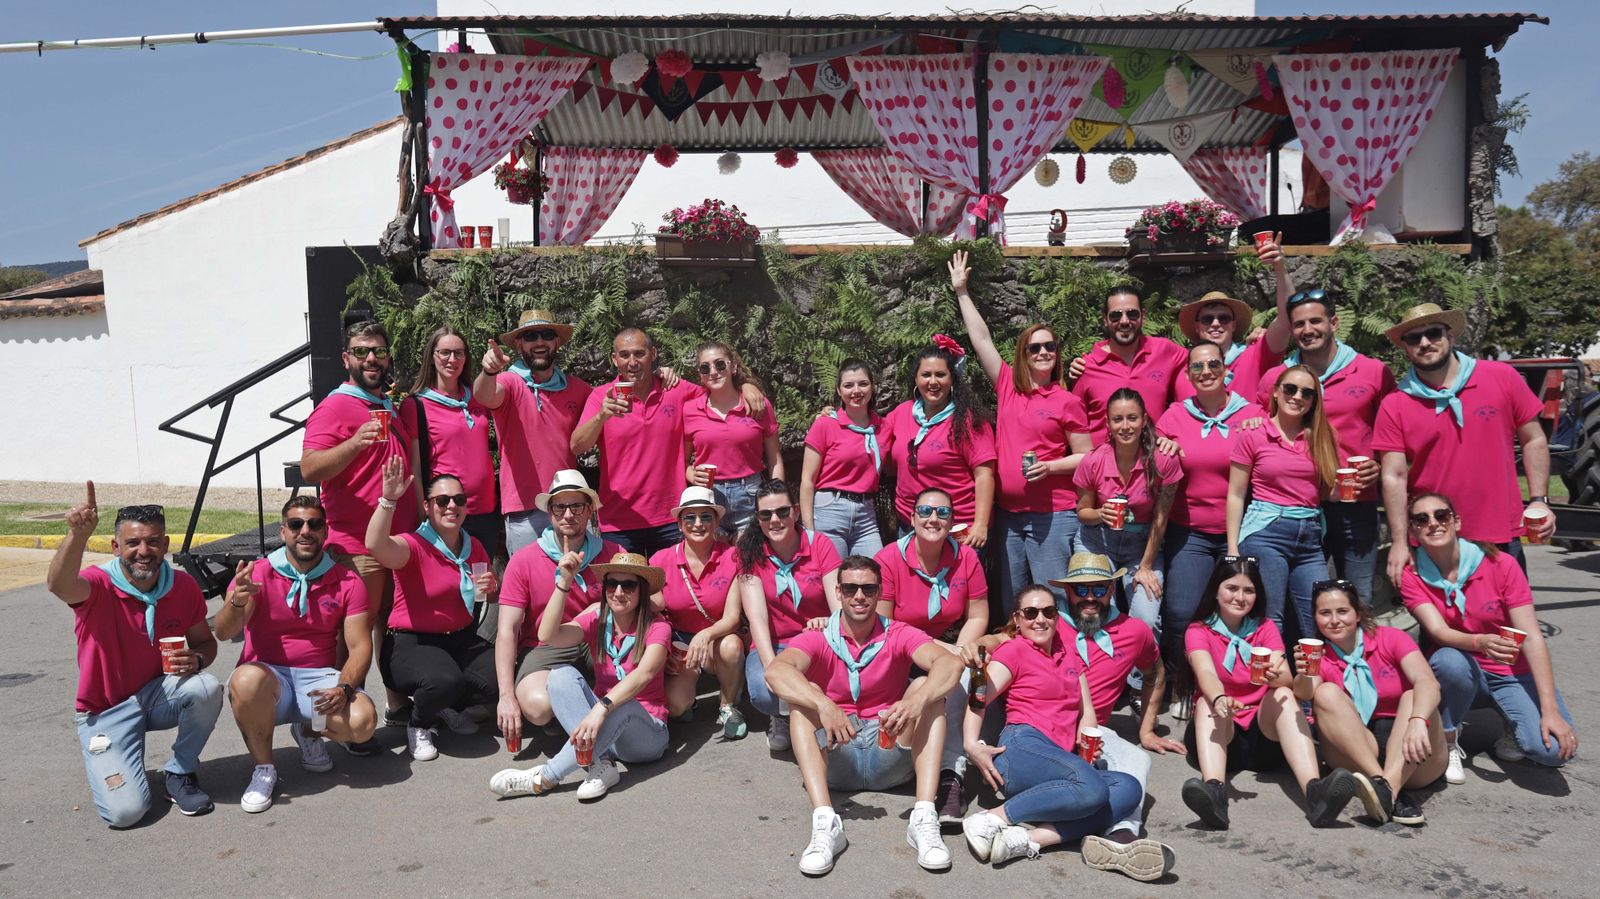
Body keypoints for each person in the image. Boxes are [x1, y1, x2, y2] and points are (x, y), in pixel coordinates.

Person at [764, 555, 964, 875]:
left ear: (879, 593)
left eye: (868, 589)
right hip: (837, 750)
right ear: (840, 592)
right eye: (852, 588)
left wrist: (917, 701)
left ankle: (924, 818)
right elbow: (776, 672)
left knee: (928, 689)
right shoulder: (818, 636)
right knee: (804, 699)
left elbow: (951, 664)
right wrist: (824, 704)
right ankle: (825, 823)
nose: (860, 596)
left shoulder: (898, 632)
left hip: (888, 745)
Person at [959, 585, 1175, 879]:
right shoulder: (1015, 649)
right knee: (1092, 788)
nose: (1040, 620)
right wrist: (971, 743)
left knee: (1128, 788)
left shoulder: (1067, 653)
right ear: (1017, 619)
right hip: (1023, 747)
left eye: (1048, 612)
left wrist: (1087, 737)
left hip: (1059, 757)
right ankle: (990, 819)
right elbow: (980, 693)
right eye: (1031, 613)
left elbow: (1086, 710)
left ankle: (1029, 840)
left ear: (1057, 616)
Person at [47, 488, 223, 825]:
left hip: (155, 697)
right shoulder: (97, 585)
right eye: (133, 543)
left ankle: (179, 772)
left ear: (166, 544)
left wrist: (197, 660)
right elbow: (59, 585)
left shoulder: (182, 586)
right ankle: (120, 759)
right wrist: (77, 534)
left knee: (206, 688)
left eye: (153, 542)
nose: (143, 551)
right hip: (105, 712)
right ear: (116, 547)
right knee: (126, 813)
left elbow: (205, 642)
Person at [213, 496, 379, 813]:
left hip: (316, 679)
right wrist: (236, 602)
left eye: (314, 524)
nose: (306, 531)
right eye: (296, 524)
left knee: (363, 722)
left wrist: (344, 688)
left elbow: (360, 646)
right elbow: (223, 632)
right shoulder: (257, 573)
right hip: (267, 679)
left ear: (325, 531)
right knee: (246, 680)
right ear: (283, 531)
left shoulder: (347, 580)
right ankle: (264, 768)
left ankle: (307, 730)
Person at [1397, 493, 1578, 779]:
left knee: (1553, 752)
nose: (1433, 523)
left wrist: (1550, 710)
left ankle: (1511, 722)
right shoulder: (1412, 573)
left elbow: (1531, 635)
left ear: (1456, 521)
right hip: (1466, 668)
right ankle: (1448, 738)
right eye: (1421, 519)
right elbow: (1438, 632)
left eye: (1441, 515)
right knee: (1448, 662)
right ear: (1413, 531)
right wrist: (1480, 642)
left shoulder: (1500, 563)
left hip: (1513, 671)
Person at [949, 248, 1092, 605]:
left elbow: (1088, 457)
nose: (1043, 352)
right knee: (1013, 599)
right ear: (1023, 354)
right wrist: (962, 292)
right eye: (1035, 348)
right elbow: (981, 340)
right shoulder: (1009, 385)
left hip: (1053, 515)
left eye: (1050, 346)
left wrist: (1051, 466)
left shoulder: (1067, 400)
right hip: (1009, 516)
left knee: (1052, 597)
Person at [1376, 303, 1555, 584]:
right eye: (1413, 338)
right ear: (1405, 347)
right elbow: (1394, 475)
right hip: (1434, 535)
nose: (1425, 343)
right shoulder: (1395, 403)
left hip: (1500, 531)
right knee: (1440, 627)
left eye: (1433, 333)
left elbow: (1533, 439)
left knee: (1509, 624)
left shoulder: (1501, 377)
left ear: (1451, 336)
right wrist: (1400, 542)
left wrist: (1539, 501)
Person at [301, 319, 420, 736]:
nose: (372, 358)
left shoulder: (384, 404)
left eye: (379, 351)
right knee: (349, 640)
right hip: (355, 548)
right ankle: (328, 724)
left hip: (397, 544)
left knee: (391, 631)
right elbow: (310, 466)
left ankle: (395, 708)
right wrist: (354, 443)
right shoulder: (335, 406)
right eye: (362, 351)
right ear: (346, 358)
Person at [1180, 556, 1357, 829]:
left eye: (1249, 590)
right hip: (1220, 735)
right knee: (1207, 702)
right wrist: (1220, 698)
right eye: (1232, 588)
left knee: (1284, 695)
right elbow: (1205, 673)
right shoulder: (1198, 630)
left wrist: (1278, 677)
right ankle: (1214, 792)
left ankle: (1315, 792)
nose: (1240, 597)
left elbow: (1285, 676)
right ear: (1215, 590)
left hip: (1263, 738)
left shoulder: (1264, 627)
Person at [490, 552, 671, 801]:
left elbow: (644, 674)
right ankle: (602, 765)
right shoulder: (598, 620)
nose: (618, 592)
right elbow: (548, 635)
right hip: (604, 732)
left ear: (642, 591)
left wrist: (602, 708)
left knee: (624, 705)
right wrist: (563, 583)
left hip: (645, 736)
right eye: (611, 584)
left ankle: (545, 777)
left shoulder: (658, 627)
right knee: (560, 675)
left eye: (628, 585)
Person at [571, 327, 765, 557]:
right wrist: (601, 416)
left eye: (639, 353)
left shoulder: (676, 390)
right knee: (622, 590)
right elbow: (577, 446)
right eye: (624, 355)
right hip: (619, 521)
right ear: (614, 359)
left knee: (670, 591)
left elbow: (719, 387)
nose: (632, 362)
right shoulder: (602, 397)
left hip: (671, 518)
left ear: (653, 354)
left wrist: (746, 385)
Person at [1256, 290, 1395, 601]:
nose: (1308, 330)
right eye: (1299, 324)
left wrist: (1380, 463)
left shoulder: (1373, 372)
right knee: (1300, 601)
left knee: (1357, 599)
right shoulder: (1276, 379)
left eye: (1315, 321)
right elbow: (1258, 429)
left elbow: (1394, 435)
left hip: (1354, 502)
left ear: (1333, 323)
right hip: (1294, 505)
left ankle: (1355, 650)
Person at [1156, 342, 1268, 705]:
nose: (1205, 372)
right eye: (1197, 367)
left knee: (1243, 610)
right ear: (1188, 375)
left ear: (1226, 370)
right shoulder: (1174, 415)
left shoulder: (1251, 413)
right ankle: (1182, 684)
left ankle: (1241, 686)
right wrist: (1163, 446)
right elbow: (1153, 454)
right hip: (1190, 531)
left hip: (1244, 530)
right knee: (1179, 612)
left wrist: (1261, 424)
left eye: (1213, 365)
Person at [367, 458, 498, 761]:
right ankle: (420, 722)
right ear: (427, 506)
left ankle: (445, 706)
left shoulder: (472, 546)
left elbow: (486, 598)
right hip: (412, 642)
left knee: (499, 676)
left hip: (462, 637)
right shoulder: (413, 545)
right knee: (443, 681)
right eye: (442, 500)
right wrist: (388, 499)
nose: (452, 506)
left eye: (459, 500)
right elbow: (375, 545)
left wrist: (492, 591)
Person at [874, 487, 989, 823]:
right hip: (900, 650)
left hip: (947, 644)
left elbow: (978, 616)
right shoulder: (890, 559)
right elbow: (885, 625)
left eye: (942, 513)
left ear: (952, 521)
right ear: (911, 518)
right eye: (925, 511)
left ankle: (948, 774)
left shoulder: (967, 557)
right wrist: (948, 653)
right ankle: (945, 770)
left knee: (963, 672)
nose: (933, 519)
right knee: (948, 674)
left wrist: (962, 649)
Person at [1291, 579, 1443, 826]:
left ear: (1358, 613)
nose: (1334, 620)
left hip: (1410, 749)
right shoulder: (1320, 656)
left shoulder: (1391, 638)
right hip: (1359, 752)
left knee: (1414, 695)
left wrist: (1417, 721)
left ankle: (1387, 789)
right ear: (1316, 619)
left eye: (1342, 611)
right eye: (1325, 613)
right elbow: (1306, 694)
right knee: (1326, 692)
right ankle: (1384, 785)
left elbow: (1428, 682)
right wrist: (1304, 673)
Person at [494, 470, 624, 749]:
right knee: (538, 707)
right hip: (545, 646)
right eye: (560, 507)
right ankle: (580, 720)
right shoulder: (524, 560)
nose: (568, 514)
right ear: (549, 513)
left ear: (589, 510)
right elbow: (507, 630)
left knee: (626, 682)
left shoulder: (612, 553)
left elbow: (647, 605)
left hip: (598, 642)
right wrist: (505, 695)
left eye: (576, 506)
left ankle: (590, 725)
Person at [1227, 366, 1337, 635]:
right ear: (1276, 392)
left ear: (1314, 401)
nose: (1297, 396)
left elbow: (1326, 493)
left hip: (1310, 537)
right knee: (1270, 617)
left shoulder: (1321, 437)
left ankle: (1310, 678)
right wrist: (1232, 549)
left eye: (1307, 393)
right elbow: (1236, 493)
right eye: (1290, 389)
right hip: (1266, 531)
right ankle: (1270, 678)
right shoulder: (1253, 434)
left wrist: (1354, 485)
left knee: (1319, 619)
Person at [474, 309, 591, 554]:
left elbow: (610, 402)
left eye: (546, 334)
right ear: (519, 344)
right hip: (524, 512)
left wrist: (656, 374)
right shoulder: (509, 381)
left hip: (570, 508)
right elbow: (484, 395)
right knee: (529, 588)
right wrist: (488, 371)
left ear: (556, 341)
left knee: (577, 586)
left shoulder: (577, 389)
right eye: (530, 336)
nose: (539, 342)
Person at [740, 479, 842, 752]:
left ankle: (802, 712)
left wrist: (830, 624)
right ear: (758, 519)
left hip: (817, 641)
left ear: (796, 511)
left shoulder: (820, 545)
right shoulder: (749, 553)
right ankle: (787, 714)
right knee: (763, 692)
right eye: (766, 514)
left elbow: (839, 608)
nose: (775, 520)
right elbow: (757, 619)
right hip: (777, 643)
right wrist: (774, 669)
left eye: (782, 512)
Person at [1073, 388, 1182, 632]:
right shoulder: (1093, 461)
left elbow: (1161, 520)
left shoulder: (1164, 461)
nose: (1125, 426)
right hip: (1097, 542)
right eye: (1117, 419)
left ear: (1144, 420)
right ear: (1107, 424)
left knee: (1146, 619)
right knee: (1096, 615)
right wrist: (1101, 513)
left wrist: (1145, 567)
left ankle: (1145, 670)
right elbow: (1082, 512)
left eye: (1132, 418)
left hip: (1143, 546)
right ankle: (1100, 668)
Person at [649, 486, 749, 739]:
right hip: (681, 644)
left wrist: (704, 636)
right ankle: (690, 700)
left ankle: (728, 705)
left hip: (718, 637)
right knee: (675, 705)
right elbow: (653, 610)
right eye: (689, 517)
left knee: (732, 646)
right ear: (680, 524)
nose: (698, 524)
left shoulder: (733, 556)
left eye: (706, 516)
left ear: (716, 521)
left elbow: (732, 618)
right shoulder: (660, 560)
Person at [882, 341, 997, 546]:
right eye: (926, 375)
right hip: (909, 525)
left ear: (952, 378)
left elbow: (984, 475)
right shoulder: (901, 413)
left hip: (957, 529)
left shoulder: (969, 420)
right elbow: (869, 431)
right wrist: (832, 416)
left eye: (940, 375)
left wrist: (981, 524)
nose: (933, 382)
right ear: (916, 379)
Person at [411, 326, 499, 569]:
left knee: (480, 586)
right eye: (445, 353)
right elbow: (415, 468)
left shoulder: (478, 397)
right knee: (451, 586)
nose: (453, 360)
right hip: (446, 512)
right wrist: (423, 514)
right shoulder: (417, 404)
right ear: (432, 357)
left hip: (485, 512)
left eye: (459, 353)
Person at [1171, 234, 1294, 403]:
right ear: (1197, 326)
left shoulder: (1254, 355)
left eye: (1224, 318)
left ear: (1234, 325)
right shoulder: (1184, 367)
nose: (1216, 324)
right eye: (1207, 319)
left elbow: (1287, 318)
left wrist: (1279, 266)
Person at [683, 340, 783, 535]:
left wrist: (777, 496)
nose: (713, 371)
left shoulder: (758, 405)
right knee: (713, 559)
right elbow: (682, 461)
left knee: (749, 558)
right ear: (700, 375)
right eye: (705, 367)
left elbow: (775, 459)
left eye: (720, 364)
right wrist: (690, 474)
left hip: (751, 493)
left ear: (733, 366)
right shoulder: (690, 409)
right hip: (708, 495)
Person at [1069, 284, 1188, 445]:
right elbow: (1076, 424)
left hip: (1154, 462)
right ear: (1105, 320)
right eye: (1116, 316)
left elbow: (1204, 365)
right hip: (1104, 466)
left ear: (1142, 316)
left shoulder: (1164, 351)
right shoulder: (1086, 367)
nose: (1124, 321)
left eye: (1132, 314)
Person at [800, 359, 890, 559]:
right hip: (830, 510)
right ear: (839, 391)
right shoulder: (825, 425)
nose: (856, 391)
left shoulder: (884, 427)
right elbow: (807, 481)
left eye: (863, 384)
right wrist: (809, 530)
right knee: (832, 580)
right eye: (848, 385)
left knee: (875, 575)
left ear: (872, 387)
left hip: (866, 514)